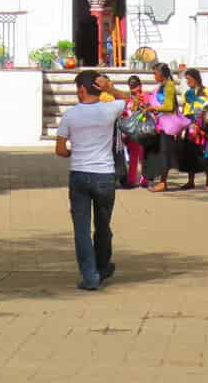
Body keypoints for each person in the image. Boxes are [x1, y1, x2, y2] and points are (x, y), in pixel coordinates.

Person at [55, 69, 131, 290]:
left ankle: (90, 276)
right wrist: (109, 88)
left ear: (80, 90)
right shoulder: (110, 109)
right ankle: (103, 265)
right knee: (103, 225)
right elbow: (129, 99)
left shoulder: (70, 115)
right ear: (98, 88)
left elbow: (60, 150)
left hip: (79, 174)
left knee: (81, 229)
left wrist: (72, 153)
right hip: (105, 175)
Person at [172, 67, 208, 190]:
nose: (187, 81)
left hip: (203, 125)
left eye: (189, 79)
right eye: (186, 79)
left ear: (196, 78)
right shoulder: (187, 93)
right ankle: (190, 181)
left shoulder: (207, 92)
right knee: (190, 153)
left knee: (206, 154)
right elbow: (183, 109)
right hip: (189, 124)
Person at [142, 63, 179, 191]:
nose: (154, 76)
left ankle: (163, 182)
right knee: (158, 151)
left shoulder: (169, 86)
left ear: (161, 74)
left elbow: (169, 106)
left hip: (166, 124)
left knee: (164, 152)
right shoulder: (161, 86)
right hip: (160, 123)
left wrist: (154, 108)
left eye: (155, 73)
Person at [121, 76, 150, 188]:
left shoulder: (145, 97)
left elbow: (149, 110)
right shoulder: (128, 99)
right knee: (133, 155)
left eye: (135, 86)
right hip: (131, 130)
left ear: (140, 85)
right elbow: (124, 113)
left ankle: (144, 179)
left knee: (143, 155)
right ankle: (132, 179)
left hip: (143, 128)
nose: (133, 89)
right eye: (131, 87)